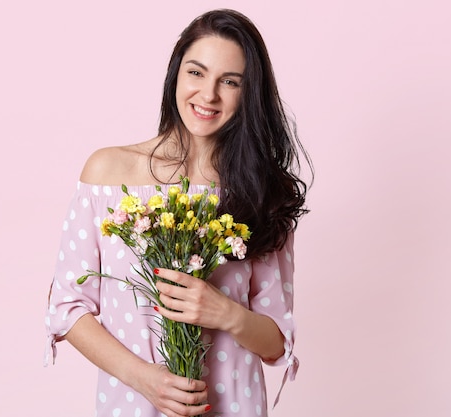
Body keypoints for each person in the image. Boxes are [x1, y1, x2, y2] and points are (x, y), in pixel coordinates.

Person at [45, 8, 312, 417]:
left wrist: (224, 312)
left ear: (249, 92)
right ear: (175, 74)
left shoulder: (260, 189)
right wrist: (144, 380)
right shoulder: (107, 174)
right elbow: (68, 307)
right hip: (132, 405)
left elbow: (277, 341)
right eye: (196, 73)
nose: (208, 95)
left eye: (230, 81)